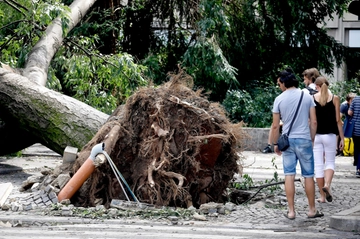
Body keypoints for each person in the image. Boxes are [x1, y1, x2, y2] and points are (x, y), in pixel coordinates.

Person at [271, 70, 322, 219]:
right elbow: (313, 121)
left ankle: (291, 211)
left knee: (289, 174)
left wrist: (275, 143)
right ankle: (312, 210)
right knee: (308, 175)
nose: (279, 86)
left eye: (279, 83)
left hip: (287, 142)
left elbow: (275, 126)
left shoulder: (279, 99)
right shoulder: (307, 96)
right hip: (304, 139)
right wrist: (311, 139)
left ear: (284, 82)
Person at [312, 76, 344, 203]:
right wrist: (342, 137)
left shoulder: (313, 98)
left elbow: (312, 121)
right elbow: (338, 120)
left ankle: (322, 197)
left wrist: (311, 137)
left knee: (318, 166)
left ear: (317, 86)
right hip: (330, 136)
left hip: (317, 135)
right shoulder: (335, 98)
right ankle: (327, 185)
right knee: (330, 162)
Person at [348, 95, 360, 178]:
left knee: (358, 148)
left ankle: (358, 169)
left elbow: (349, 112)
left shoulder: (355, 99)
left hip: (356, 129)